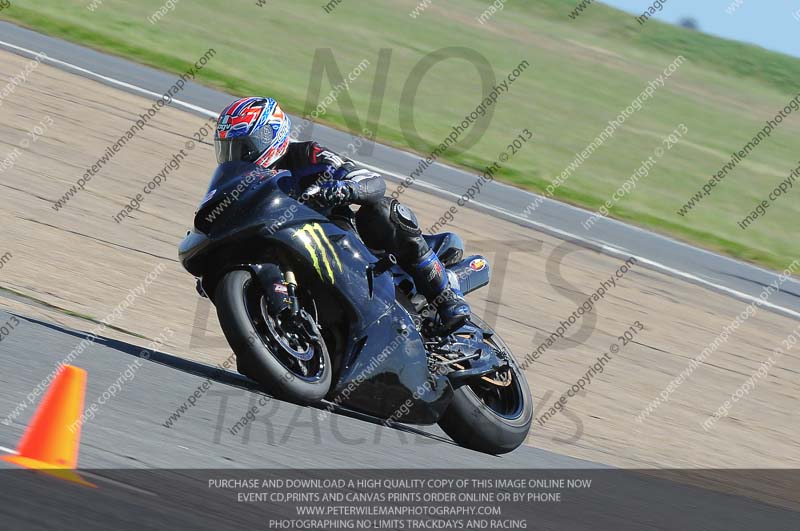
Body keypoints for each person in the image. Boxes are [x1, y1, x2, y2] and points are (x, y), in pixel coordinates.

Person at [214, 96, 470, 333]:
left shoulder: (307, 155)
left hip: (344, 245)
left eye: (242, 149)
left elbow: (373, 181)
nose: (235, 158)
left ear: (269, 135)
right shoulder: (246, 185)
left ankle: (448, 299)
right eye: (228, 150)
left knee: (383, 211)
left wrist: (343, 189)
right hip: (290, 250)